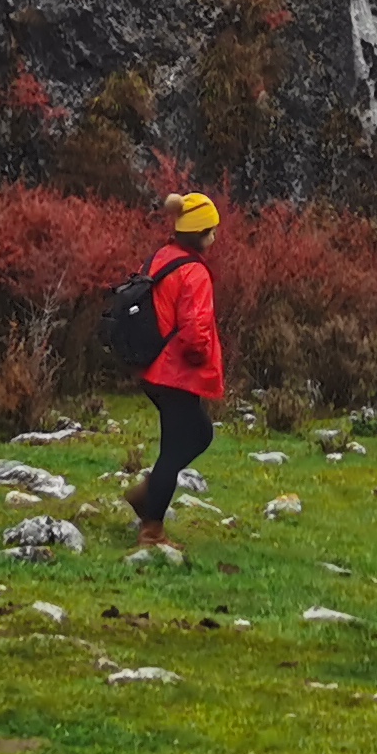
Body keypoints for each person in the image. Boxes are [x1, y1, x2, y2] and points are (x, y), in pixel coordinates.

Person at [127, 191, 224, 547]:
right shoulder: (194, 272)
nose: (214, 236)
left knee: (193, 434)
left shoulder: (161, 257)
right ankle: (151, 528)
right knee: (185, 442)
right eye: (211, 231)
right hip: (175, 373)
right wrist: (200, 361)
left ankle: (146, 496)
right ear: (200, 234)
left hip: (152, 367)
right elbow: (195, 331)